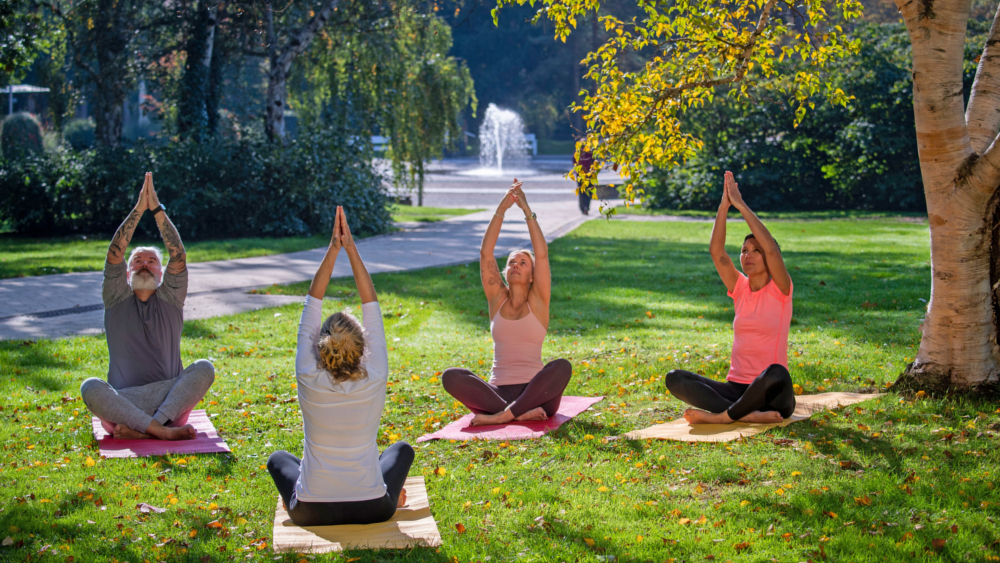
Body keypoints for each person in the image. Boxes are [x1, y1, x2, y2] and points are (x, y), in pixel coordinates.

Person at [267, 206, 413, 527]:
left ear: (318, 345)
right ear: (364, 347)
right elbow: (370, 302)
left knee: (279, 459)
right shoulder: (375, 374)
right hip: (373, 507)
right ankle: (388, 491)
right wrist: (351, 248)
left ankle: (314, 490)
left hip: (311, 511)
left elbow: (311, 302)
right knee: (401, 449)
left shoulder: (308, 374)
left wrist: (333, 249)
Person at [80, 173, 214, 441]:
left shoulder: (171, 297)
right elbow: (114, 254)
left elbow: (178, 255)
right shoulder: (116, 296)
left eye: (151, 260)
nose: (144, 263)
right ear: (127, 274)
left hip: (170, 398)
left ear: (162, 274)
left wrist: (156, 209)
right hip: (125, 403)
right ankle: (159, 431)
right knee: (90, 387)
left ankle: (148, 429)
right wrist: (139, 209)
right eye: (137, 261)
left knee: (204, 368)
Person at [664, 171, 796, 425]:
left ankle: (724, 417)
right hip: (736, 389)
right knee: (675, 378)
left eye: (757, 251)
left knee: (776, 372)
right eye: (745, 250)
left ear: (771, 258)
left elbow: (770, 246)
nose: (749, 255)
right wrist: (723, 207)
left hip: (772, 392)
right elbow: (717, 252)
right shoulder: (740, 288)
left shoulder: (781, 289)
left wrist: (741, 204)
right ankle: (746, 415)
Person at [441, 180, 572, 426]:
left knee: (561, 366)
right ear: (504, 272)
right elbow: (486, 254)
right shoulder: (497, 299)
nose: (515, 265)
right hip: (498, 392)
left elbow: (541, 254)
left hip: (537, 393)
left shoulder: (539, 300)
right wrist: (502, 207)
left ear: (532, 275)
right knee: (451, 376)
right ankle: (516, 413)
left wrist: (526, 210)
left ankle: (504, 416)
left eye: (523, 263)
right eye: (512, 262)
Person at [574, 144, 595, 215]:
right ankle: (586, 206)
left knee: (581, 192)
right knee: (589, 191)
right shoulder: (590, 152)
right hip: (589, 174)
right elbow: (594, 162)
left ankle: (583, 207)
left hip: (580, 174)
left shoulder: (577, 152)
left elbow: (574, 162)